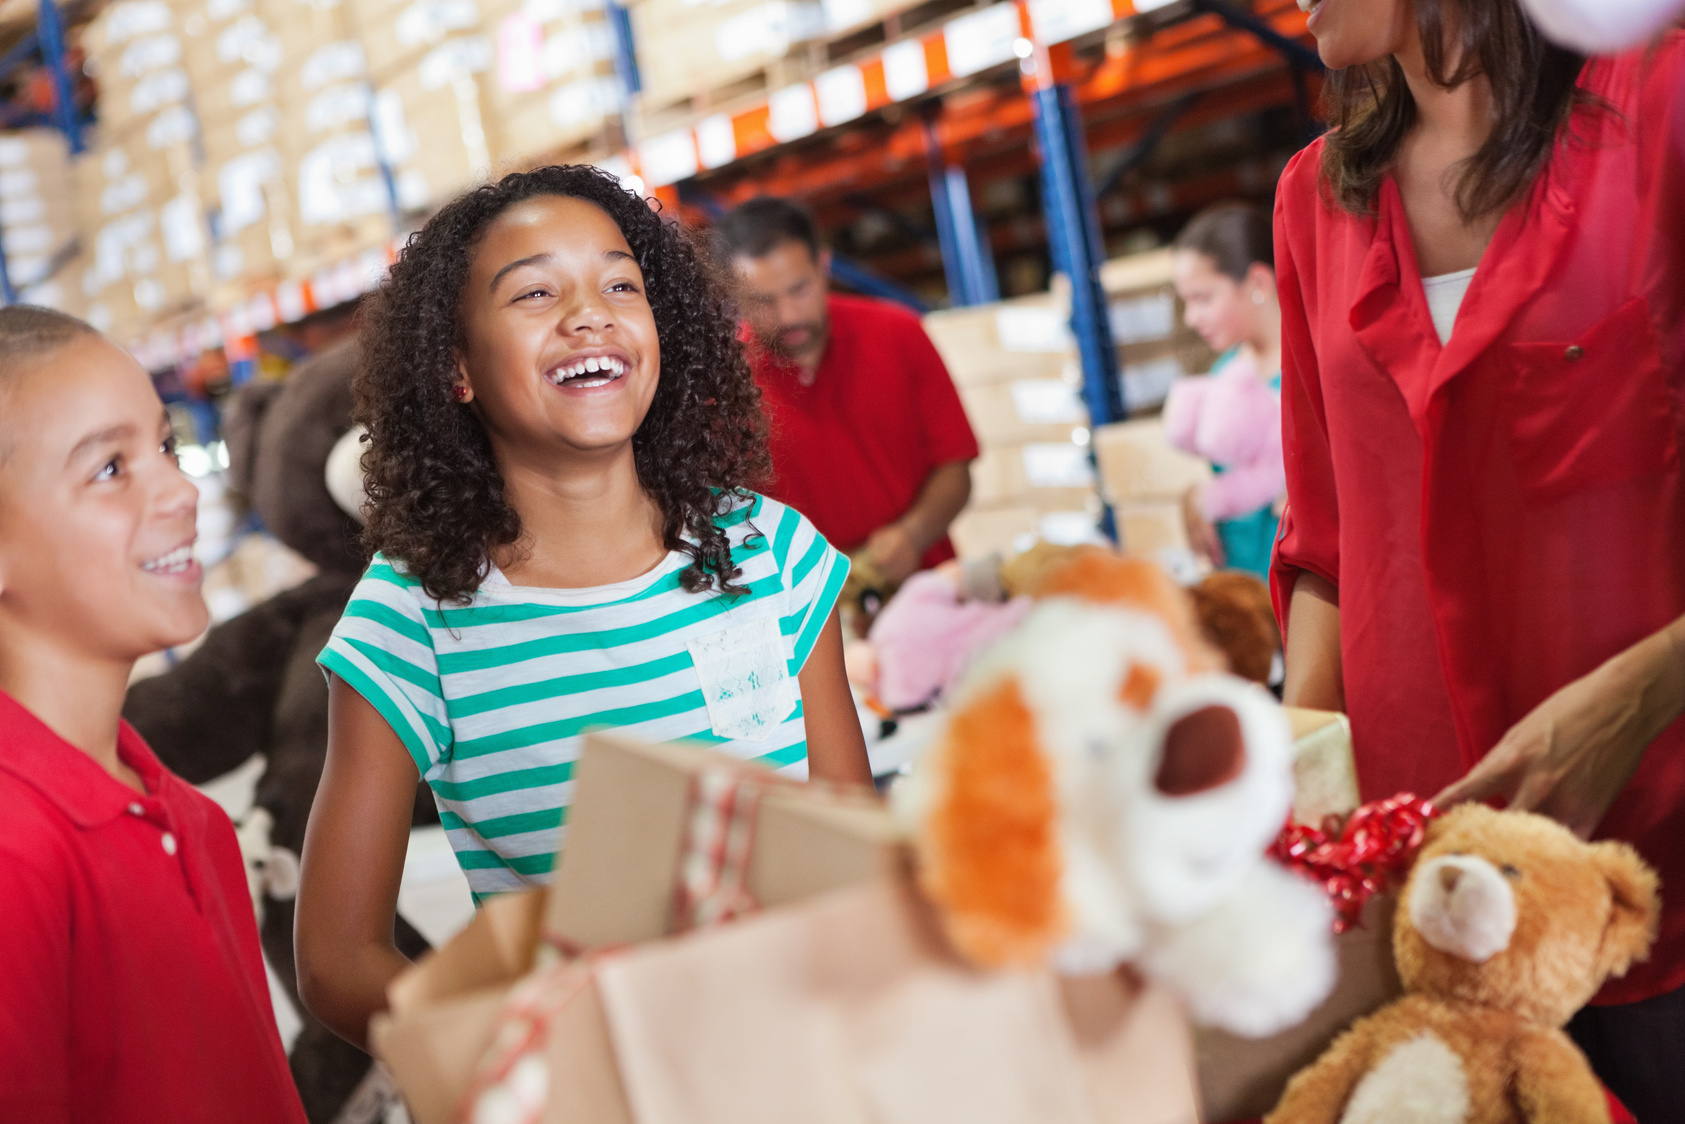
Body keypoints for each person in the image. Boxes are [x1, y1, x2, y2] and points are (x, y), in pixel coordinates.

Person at [295, 167, 873, 1050]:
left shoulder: (773, 551)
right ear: (455, 365)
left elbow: (855, 853)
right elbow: (338, 960)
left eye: (619, 285)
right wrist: (526, 1064)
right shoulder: (410, 618)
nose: (588, 314)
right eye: (534, 292)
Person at [1274, 0, 1685, 1115]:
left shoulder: (1655, 109)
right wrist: (1300, 795)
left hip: (1651, 869)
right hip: (1438, 897)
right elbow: (1322, 538)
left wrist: (1633, 698)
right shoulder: (1314, 201)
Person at [0, 307, 306, 1124]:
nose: (179, 489)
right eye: (109, 468)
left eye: (166, 447)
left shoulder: (190, 819)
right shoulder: (16, 857)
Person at [718, 197, 978, 584]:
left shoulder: (899, 334)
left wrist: (913, 534)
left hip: (930, 589)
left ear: (823, 266)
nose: (788, 315)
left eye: (799, 289)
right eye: (763, 301)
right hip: (805, 621)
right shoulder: (721, 389)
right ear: (733, 298)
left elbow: (956, 469)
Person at [1163, 202, 1286, 578]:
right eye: (1186, 301)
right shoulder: (1221, 376)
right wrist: (1195, 500)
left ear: (1259, 284)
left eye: (1203, 298)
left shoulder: (1318, 367)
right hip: (1249, 590)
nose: (1190, 318)